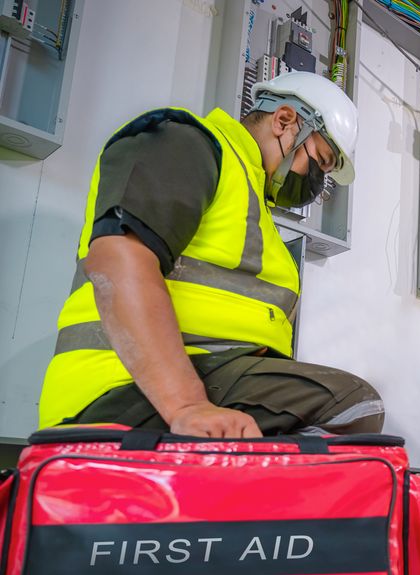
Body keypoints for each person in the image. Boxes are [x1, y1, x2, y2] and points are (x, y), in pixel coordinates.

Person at [37, 72, 384, 438]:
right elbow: (120, 259)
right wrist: (187, 405)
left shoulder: (254, 206)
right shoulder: (187, 142)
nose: (314, 181)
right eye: (319, 161)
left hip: (209, 379)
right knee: (352, 403)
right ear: (284, 122)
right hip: (118, 389)